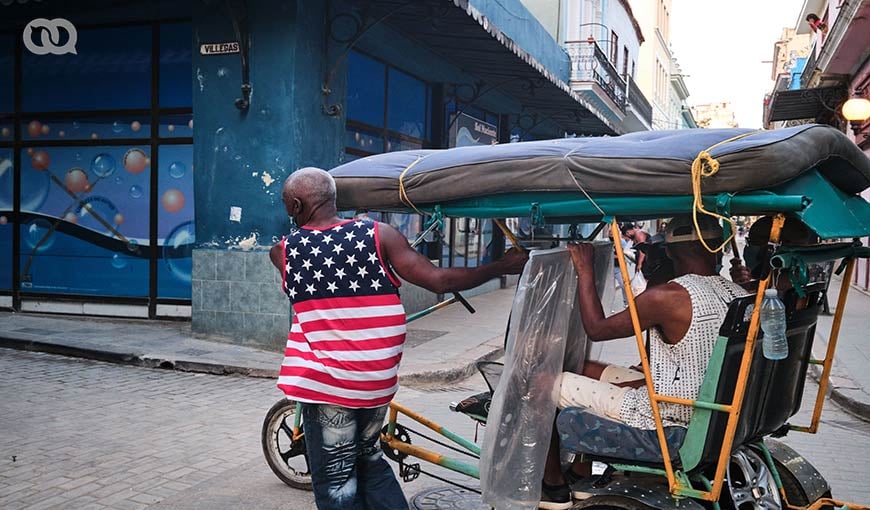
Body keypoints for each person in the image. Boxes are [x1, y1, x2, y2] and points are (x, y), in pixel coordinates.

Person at [269, 167, 528, 510]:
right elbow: (439, 280)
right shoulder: (380, 235)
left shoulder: (284, 251)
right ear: (333, 199)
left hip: (328, 385)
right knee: (370, 460)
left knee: (337, 481)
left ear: (295, 205)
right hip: (376, 383)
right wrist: (499, 267)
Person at [537, 216, 749, 509]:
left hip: (668, 414)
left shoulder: (667, 297)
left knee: (541, 381)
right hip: (702, 403)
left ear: (671, 252)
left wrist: (585, 270)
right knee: (584, 370)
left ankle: (552, 486)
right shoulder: (739, 293)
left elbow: (597, 328)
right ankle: (581, 472)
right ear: (716, 248)